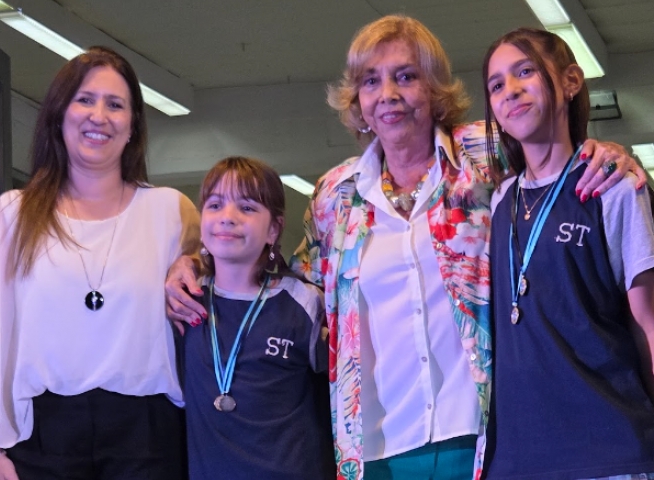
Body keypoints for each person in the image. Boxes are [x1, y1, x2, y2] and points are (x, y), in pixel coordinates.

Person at [165, 15, 644, 480]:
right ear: (358, 100)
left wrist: (607, 152)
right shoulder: (335, 196)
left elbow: (550, 155)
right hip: (377, 445)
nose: (388, 94)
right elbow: (288, 283)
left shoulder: (481, 155)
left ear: (434, 90)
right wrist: (196, 261)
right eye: (371, 81)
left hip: (482, 433)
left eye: (406, 76)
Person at [0, 46, 199, 480]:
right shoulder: (11, 217)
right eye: (85, 100)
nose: (99, 116)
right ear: (59, 114)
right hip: (43, 439)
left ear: (133, 125)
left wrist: (195, 261)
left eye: (115, 105)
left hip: (148, 438)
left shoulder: (170, 212)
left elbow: (217, 285)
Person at [482, 28, 654, 480]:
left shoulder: (614, 188)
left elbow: (648, 324)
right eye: (496, 84)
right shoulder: (500, 201)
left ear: (571, 81)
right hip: (517, 459)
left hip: (609, 449)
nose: (510, 90)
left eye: (525, 71)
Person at [183, 156, 335, 479]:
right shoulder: (186, 301)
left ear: (274, 229)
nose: (228, 217)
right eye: (215, 205)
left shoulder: (305, 303)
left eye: (247, 207)